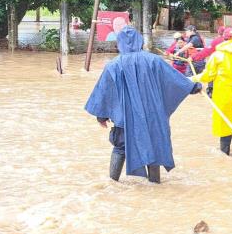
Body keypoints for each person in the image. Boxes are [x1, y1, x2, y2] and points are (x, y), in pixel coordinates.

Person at [85, 26, 201, 183]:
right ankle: (155, 186)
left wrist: (102, 116)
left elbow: (105, 93)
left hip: (125, 118)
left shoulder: (113, 65)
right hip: (152, 115)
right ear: (140, 42)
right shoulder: (154, 60)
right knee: (154, 147)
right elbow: (174, 80)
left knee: (120, 147)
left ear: (119, 44)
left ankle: (112, 183)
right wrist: (193, 87)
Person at [191, 27, 232, 156]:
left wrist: (192, 78)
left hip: (223, 97)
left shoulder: (217, 56)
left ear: (224, 39)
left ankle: (225, 155)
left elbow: (208, 76)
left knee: (224, 126)